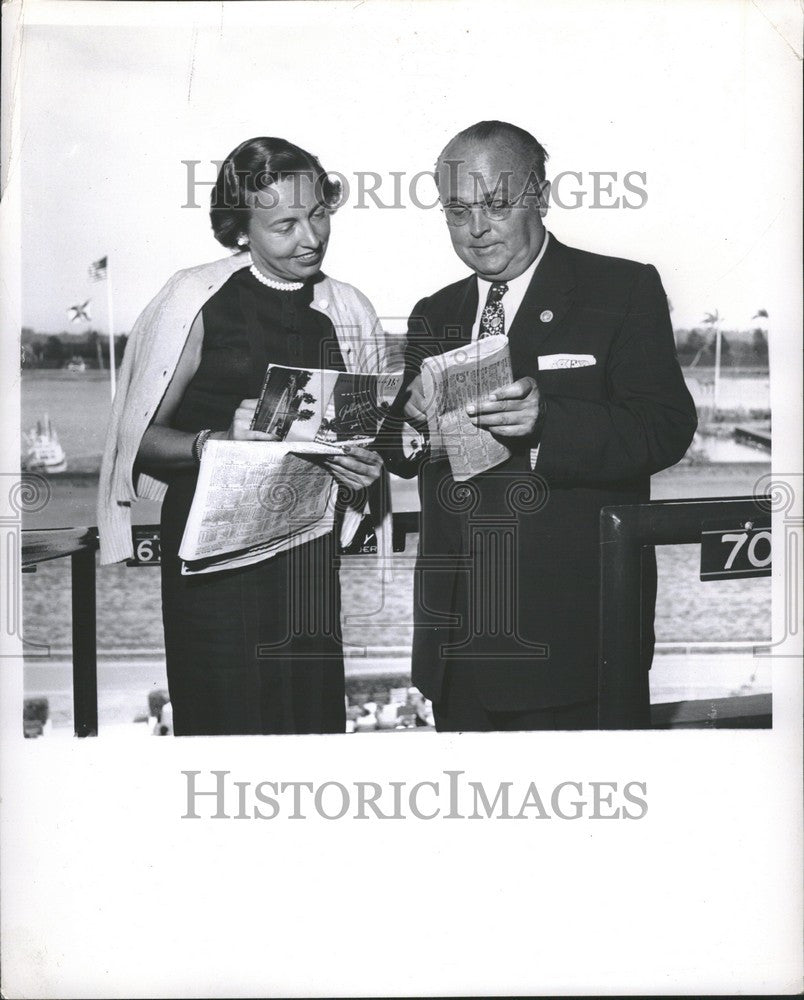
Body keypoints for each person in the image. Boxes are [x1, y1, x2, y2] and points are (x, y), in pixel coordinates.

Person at [384, 120, 697, 732]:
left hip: (576, 640)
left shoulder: (623, 288)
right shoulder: (434, 311)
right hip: (457, 644)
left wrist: (547, 422)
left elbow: (666, 427)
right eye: (456, 210)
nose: (476, 229)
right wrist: (411, 424)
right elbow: (399, 449)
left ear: (540, 196)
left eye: (496, 205)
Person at [98, 136, 388, 736]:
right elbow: (140, 442)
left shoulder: (349, 309)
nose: (310, 238)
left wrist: (363, 469)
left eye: (318, 214)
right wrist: (215, 443)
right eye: (284, 224)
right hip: (212, 560)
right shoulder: (195, 298)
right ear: (239, 230)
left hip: (306, 555)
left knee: (309, 722)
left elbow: (362, 437)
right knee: (223, 723)